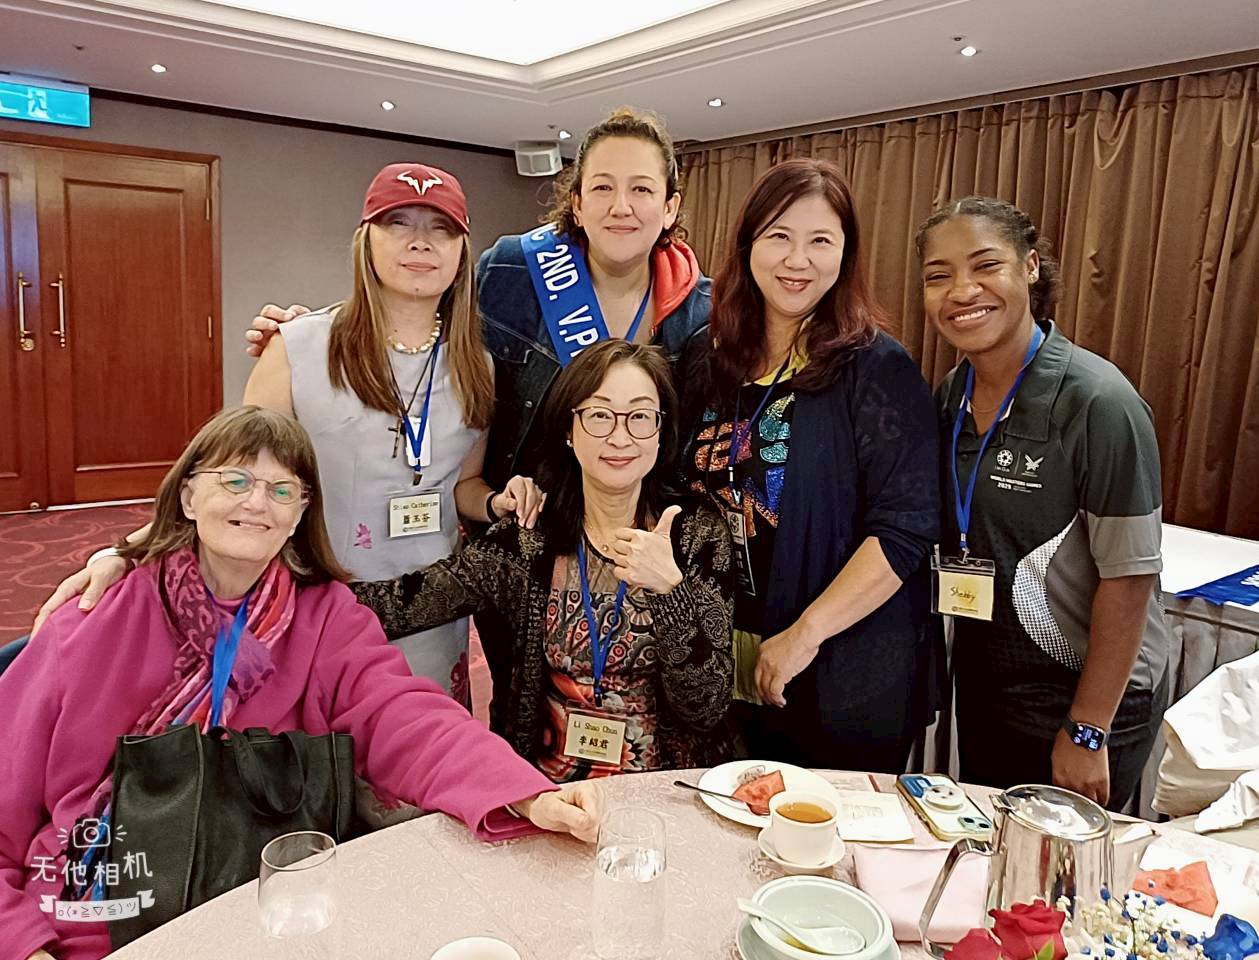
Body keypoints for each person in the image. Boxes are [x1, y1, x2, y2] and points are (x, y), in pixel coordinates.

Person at [0, 406, 601, 960]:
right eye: (235, 480)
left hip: (267, 904)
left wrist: (524, 793)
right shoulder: (95, 617)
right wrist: (25, 946)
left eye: (282, 490)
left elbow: (405, 718)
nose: (257, 502)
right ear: (188, 495)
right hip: (101, 913)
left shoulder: (324, 619)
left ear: (299, 515)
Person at [240, 107, 714, 727]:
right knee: (518, 709)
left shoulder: (703, 313)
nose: (621, 206)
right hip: (523, 550)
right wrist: (304, 334)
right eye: (602, 186)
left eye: (642, 189)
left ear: (671, 206)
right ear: (575, 203)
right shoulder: (515, 271)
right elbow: (413, 302)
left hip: (639, 546)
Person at [31, 162, 544, 699]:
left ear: (462, 254)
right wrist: (125, 552)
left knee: (421, 736)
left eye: (441, 229)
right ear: (365, 241)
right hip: (315, 595)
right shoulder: (299, 347)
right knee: (324, 740)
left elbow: (462, 486)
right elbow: (231, 479)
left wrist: (498, 503)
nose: (421, 242)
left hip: (429, 607)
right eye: (398, 223)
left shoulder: (477, 365)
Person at [352, 341, 735, 780]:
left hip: (662, 791)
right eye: (599, 415)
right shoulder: (530, 537)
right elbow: (406, 603)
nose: (620, 437)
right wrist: (291, 595)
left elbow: (706, 709)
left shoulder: (696, 537)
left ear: (662, 431)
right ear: (568, 430)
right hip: (546, 792)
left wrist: (670, 592)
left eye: (640, 416)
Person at [681, 159, 942, 773]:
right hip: (720, 664)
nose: (797, 260)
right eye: (779, 236)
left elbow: (904, 530)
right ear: (748, 245)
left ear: (845, 254)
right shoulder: (706, 358)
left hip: (835, 673)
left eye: (820, 240)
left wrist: (806, 634)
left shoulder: (875, 369)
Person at [916, 196, 1169, 810]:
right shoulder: (952, 395)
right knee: (996, 851)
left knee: (1062, 866)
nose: (962, 291)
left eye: (986, 265)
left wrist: (1088, 728)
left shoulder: (1098, 403)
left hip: (1085, 696)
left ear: (1030, 267)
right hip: (991, 678)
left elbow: (1130, 578)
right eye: (939, 276)